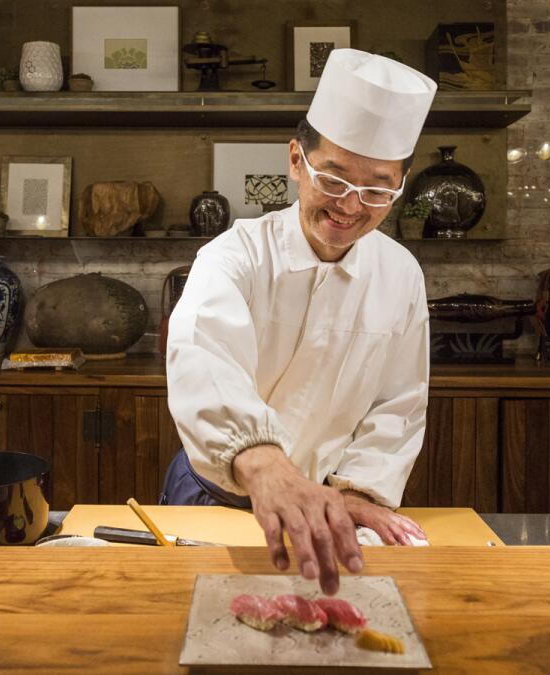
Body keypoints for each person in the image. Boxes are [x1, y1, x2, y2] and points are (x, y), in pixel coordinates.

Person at [162, 49, 437, 595]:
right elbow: (202, 356)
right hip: (215, 494)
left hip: (326, 503)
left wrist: (360, 491)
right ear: (295, 161)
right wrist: (263, 466)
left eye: (378, 190)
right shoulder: (234, 255)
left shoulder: (400, 274)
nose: (351, 207)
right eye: (333, 181)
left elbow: (398, 403)